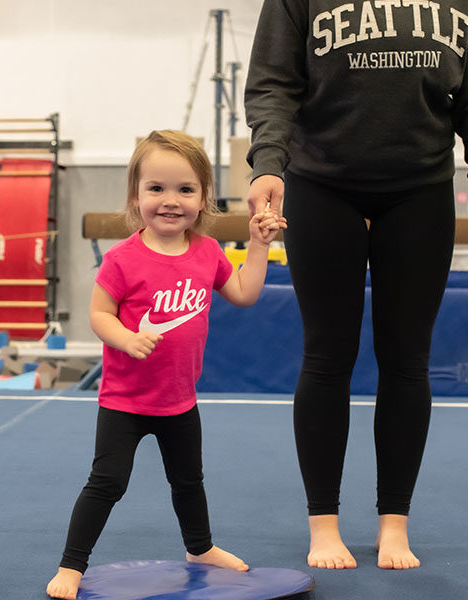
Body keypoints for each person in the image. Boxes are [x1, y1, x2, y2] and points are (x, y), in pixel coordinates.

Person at [244, 0, 463, 571]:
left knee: (407, 357)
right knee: (326, 355)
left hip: (421, 185)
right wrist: (268, 162)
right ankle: (324, 523)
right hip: (322, 183)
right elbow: (273, 82)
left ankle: (395, 524)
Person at [46, 129, 287, 599]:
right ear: (135, 196)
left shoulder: (207, 252)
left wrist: (258, 246)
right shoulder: (122, 260)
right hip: (125, 401)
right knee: (106, 483)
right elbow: (99, 313)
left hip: (179, 400)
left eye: (185, 189)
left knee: (188, 481)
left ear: (203, 197)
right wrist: (126, 338)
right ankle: (72, 565)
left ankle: (200, 547)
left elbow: (244, 293)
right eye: (156, 188)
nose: (170, 200)